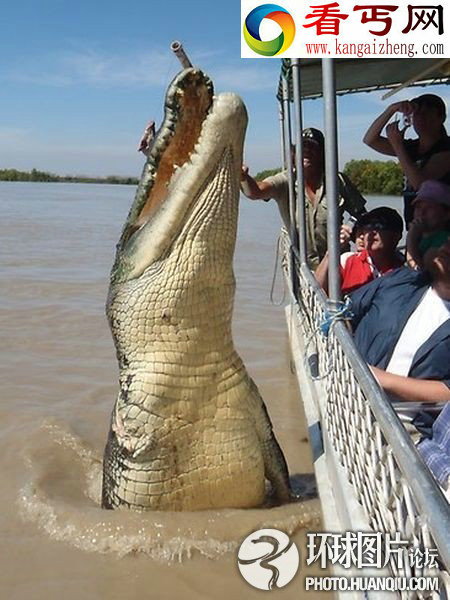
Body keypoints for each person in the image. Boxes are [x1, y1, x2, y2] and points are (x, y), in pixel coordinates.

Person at [240, 128, 366, 270]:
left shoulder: (337, 180)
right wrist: (243, 177)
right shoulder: (286, 180)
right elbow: (255, 192)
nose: (307, 151)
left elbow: (361, 214)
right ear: (295, 153)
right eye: (302, 146)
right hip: (303, 269)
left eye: (312, 147)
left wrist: (350, 230)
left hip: (337, 262)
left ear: (322, 153)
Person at [349, 236, 450, 405]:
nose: (447, 245)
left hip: (406, 425)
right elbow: (346, 313)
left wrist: (378, 379)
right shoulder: (400, 280)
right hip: (346, 399)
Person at [363, 94, 450, 227]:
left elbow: (420, 184)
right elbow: (370, 140)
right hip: (416, 225)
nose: (420, 118)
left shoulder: (445, 148)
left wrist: (398, 145)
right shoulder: (411, 148)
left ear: (441, 117)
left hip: (440, 229)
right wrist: (391, 110)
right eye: (416, 114)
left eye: (426, 114)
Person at [315, 207, 404, 295]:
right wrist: (331, 252)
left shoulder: (404, 269)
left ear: (396, 236)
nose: (371, 232)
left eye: (379, 226)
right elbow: (316, 292)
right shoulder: (346, 261)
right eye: (368, 226)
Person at [406, 180, 450, 270]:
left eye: (429, 207)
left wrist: (411, 238)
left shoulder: (444, 240)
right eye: (418, 207)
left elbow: (419, 273)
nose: (422, 213)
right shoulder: (421, 238)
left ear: (446, 214)